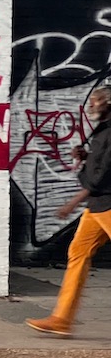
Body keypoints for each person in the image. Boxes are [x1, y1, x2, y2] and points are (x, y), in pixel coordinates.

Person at [27, 86, 111, 337]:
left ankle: (62, 318)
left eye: (96, 101)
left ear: (108, 102)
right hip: (97, 207)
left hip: (106, 204)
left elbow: (102, 177)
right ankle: (61, 319)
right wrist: (86, 156)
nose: (91, 106)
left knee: (77, 254)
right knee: (77, 253)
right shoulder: (103, 130)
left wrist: (72, 203)